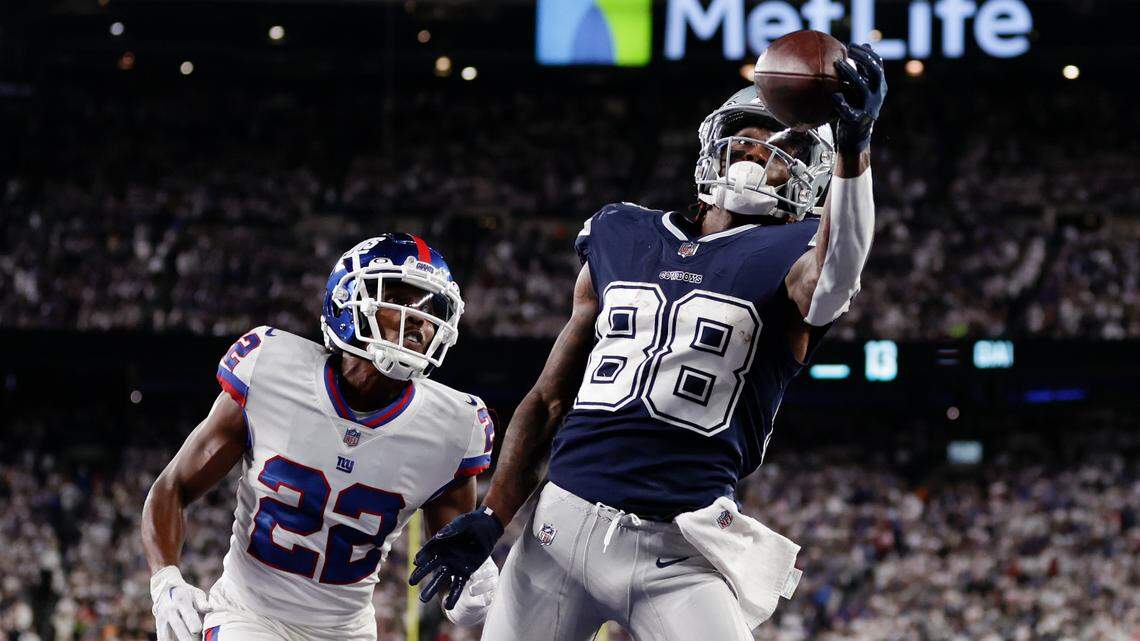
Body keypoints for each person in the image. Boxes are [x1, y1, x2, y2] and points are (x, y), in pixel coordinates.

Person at [410, 44, 887, 641]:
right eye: (745, 143)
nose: (756, 158)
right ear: (713, 150)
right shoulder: (622, 232)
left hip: (679, 548)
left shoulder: (796, 254)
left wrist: (855, 149)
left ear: (810, 176)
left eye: (781, 151)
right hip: (559, 526)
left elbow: (839, 271)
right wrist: (492, 517)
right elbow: (549, 400)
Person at [141, 234, 499, 641]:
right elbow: (172, 486)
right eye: (399, 298)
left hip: (348, 630)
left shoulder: (455, 426)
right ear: (348, 304)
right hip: (249, 614)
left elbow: (452, 545)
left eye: (430, 307)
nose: (419, 318)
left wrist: (471, 574)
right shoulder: (271, 369)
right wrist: (165, 580)